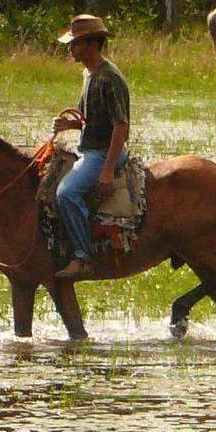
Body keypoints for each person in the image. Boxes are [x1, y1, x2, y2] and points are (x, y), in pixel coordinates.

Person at [51, 14, 130, 280]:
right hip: (90, 149)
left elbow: (121, 126)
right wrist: (70, 126)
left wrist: (107, 170)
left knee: (66, 193)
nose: (71, 49)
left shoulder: (110, 78)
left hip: (104, 153)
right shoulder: (88, 74)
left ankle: (84, 257)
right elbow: (92, 119)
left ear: (91, 44)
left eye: (75, 44)